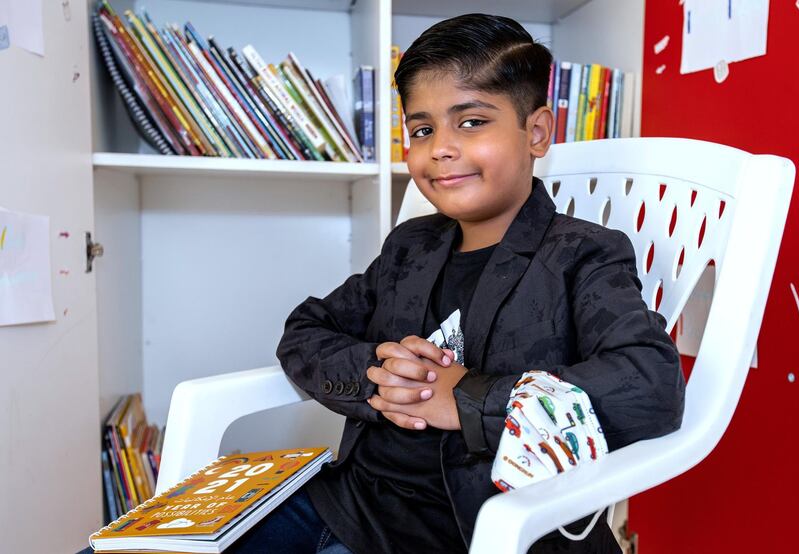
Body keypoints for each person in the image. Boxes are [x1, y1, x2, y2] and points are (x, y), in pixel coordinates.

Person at [230, 13, 685, 554]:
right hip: (351, 508)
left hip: (480, 532)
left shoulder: (583, 254)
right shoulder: (409, 246)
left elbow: (649, 385)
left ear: (536, 133)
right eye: (422, 129)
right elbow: (307, 329)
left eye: (470, 122)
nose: (441, 147)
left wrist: (469, 398)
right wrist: (381, 377)